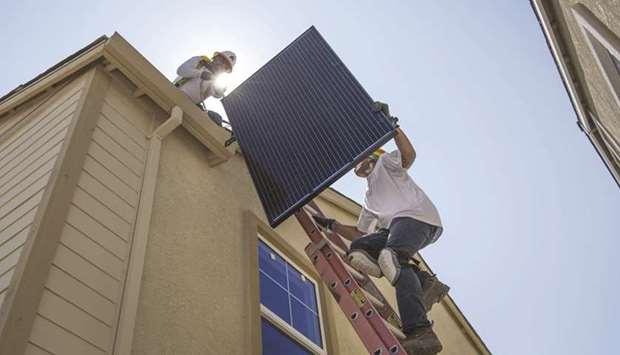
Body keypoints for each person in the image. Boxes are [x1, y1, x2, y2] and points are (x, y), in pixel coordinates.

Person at [313, 102, 448, 355]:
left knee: (391, 257)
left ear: (372, 157)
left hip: (419, 218)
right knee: (359, 250)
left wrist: (391, 126)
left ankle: (421, 332)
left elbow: (409, 156)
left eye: (363, 162)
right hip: (394, 228)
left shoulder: (387, 162)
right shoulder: (368, 198)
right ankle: (424, 282)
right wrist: (331, 225)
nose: (359, 167)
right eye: (357, 167)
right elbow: (361, 233)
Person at [173, 51, 236, 127]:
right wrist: (200, 73)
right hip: (175, 93)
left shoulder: (214, 79)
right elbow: (181, 70)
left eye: (225, 67)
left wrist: (220, 92)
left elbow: (215, 94)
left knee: (216, 119)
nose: (222, 65)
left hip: (189, 107)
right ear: (216, 57)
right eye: (222, 61)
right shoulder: (199, 62)